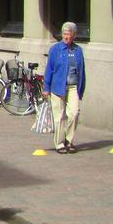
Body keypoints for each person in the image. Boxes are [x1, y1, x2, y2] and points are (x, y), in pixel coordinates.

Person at [42, 21, 86, 153]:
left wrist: (81, 89)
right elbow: (49, 69)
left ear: (74, 36)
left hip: (73, 87)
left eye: (69, 35)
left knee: (74, 113)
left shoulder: (78, 50)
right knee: (59, 116)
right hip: (57, 87)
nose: (66, 37)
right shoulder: (55, 49)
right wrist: (46, 88)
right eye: (64, 34)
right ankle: (59, 144)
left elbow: (82, 71)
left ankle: (69, 139)